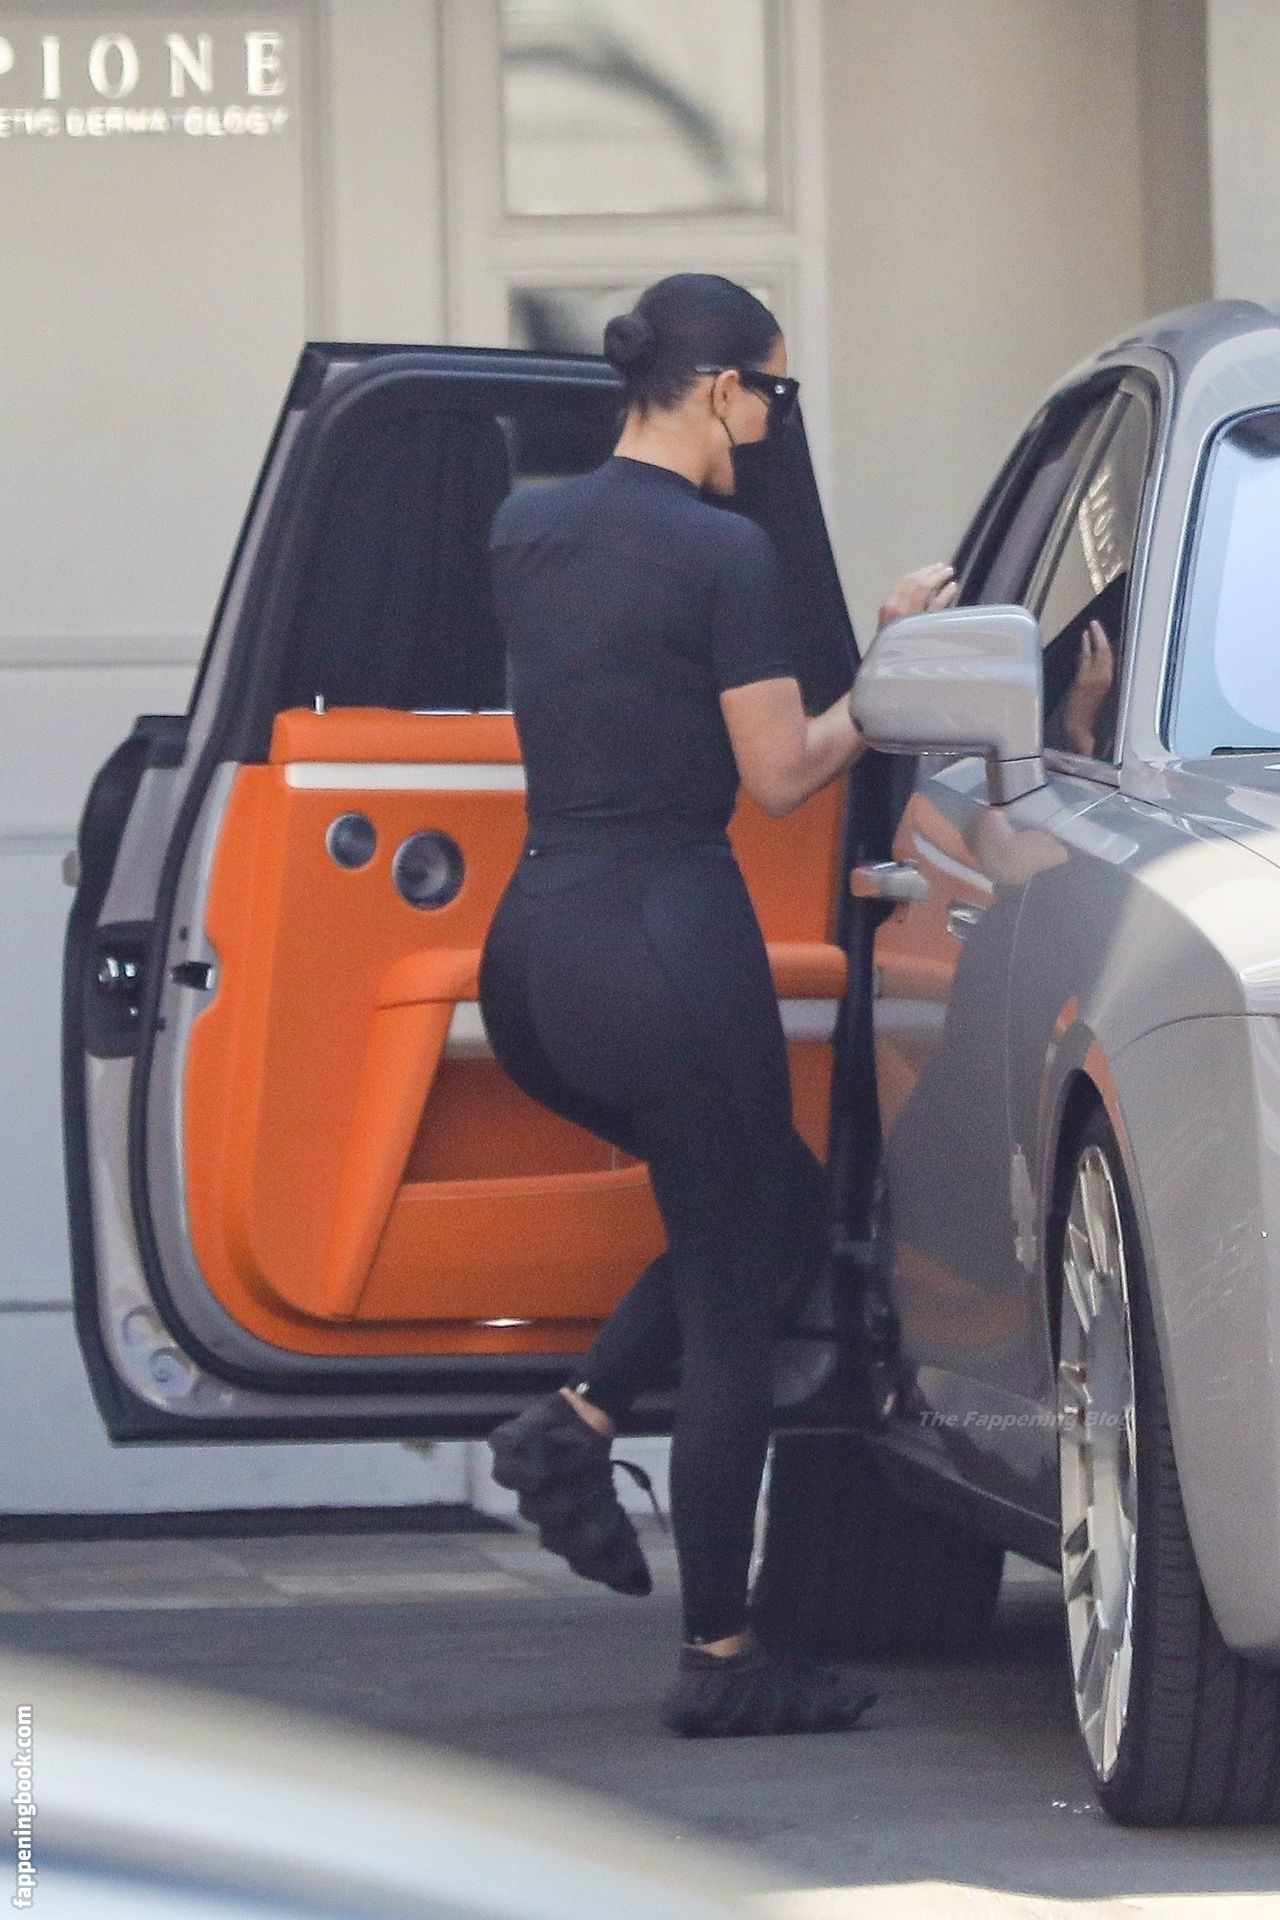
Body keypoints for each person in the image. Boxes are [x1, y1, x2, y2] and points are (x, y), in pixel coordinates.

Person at [478, 272, 958, 1738]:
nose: (773, 426)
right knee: (736, 1290)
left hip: (537, 952)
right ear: (721, 391)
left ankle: (574, 1424)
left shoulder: (526, 527)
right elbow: (782, 774)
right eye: (773, 394)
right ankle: (723, 1655)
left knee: (765, 1210)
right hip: (667, 947)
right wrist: (891, 663)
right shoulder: (722, 550)